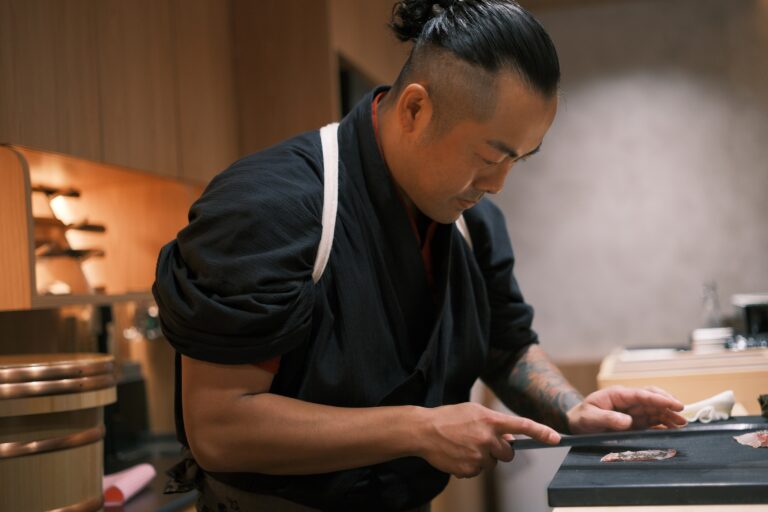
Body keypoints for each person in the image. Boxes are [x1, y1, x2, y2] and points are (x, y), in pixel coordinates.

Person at [153, 1, 687, 511]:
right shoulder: (270, 207)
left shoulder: (473, 223)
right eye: (489, 156)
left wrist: (573, 410)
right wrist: (419, 428)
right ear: (415, 108)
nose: (498, 184)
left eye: (517, 160)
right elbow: (219, 428)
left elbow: (507, 345)